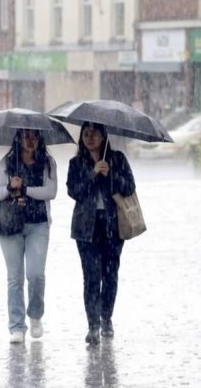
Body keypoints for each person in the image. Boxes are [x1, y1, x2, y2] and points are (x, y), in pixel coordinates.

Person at [66, 122, 136, 345]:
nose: (90, 138)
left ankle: (107, 318)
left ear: (104, 135)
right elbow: (74, 191)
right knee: (91, 277)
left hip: (113, 227)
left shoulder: (118, 159)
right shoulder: (76, 163)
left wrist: (110, 175)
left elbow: (129, 187)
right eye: (86, 134)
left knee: (110, 275)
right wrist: (92, 174)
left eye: (95, 134)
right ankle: (93, 325)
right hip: (86, 228)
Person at [0, 129, 57, 344]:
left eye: (34, 136)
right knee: (15, 277)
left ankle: (36, 315)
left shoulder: (47, 163)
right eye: (26, 136)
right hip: (11, 225)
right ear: (18, 138)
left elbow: (51, 192)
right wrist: (10, 188)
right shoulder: (7, 163)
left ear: (40, 139)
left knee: (36, 274)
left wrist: (26, 189)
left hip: (38, 225)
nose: (31, 140)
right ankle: (17, 326)